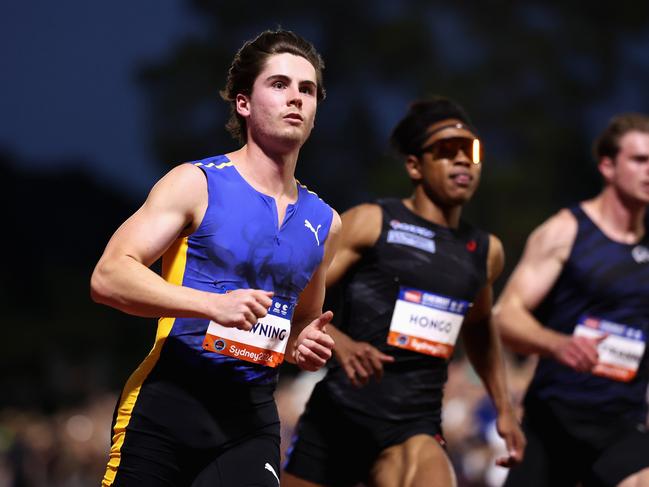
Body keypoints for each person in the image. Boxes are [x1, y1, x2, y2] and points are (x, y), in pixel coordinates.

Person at [90, 29, 341, 487]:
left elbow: (297, 325)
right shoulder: (196, 184)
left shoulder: (325, 222)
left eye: (307, 90)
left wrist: (301, 345)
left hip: (249, 424)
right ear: (243, 103)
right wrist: (210, 304)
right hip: (168, 408)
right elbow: (108, 277)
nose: (296, 99)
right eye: (280, 84)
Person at [282, 97, 525, 487]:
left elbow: (480, 329)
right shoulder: (371, 223)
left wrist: (504, 408)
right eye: (448, 151)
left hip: (415, 425)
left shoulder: (485, 252)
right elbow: (293, 295)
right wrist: (339, 343)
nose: (464, 160)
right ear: (415, 165)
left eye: (472, 151)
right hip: (340, 414)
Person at [494, 113, 649, 487]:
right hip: (555, 419)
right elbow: (505, 315)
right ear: (607, 166)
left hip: (622, 425)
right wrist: (558, 344)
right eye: (640, 160)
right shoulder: (566, 231)